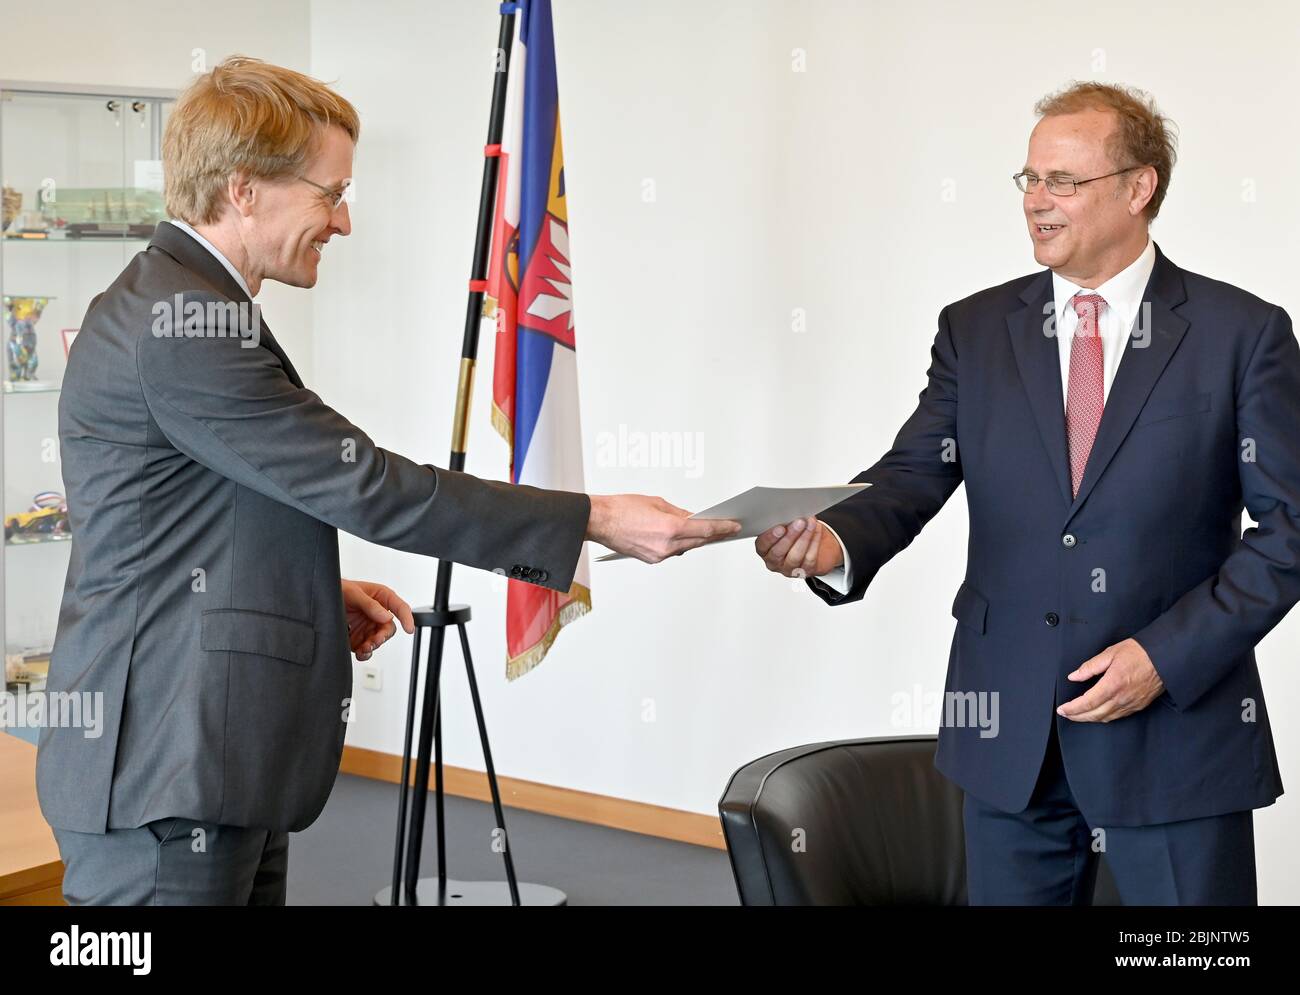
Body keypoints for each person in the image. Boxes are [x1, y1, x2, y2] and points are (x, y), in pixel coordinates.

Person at [37, 56, 738, 905]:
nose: (343, 222)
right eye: (329, 194)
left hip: (208, 766)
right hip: (163, 769)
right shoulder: (178, 325)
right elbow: (363, 482)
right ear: (244, 188)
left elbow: (194, 517)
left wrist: (300, 590)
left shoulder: (189, 305)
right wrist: (591, 517)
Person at [756, 81, 1296, 905]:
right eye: (1029, 180)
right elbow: (913, 471)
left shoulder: (1242, 333)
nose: (1037, 202)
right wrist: (834, 540)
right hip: (1007, 739)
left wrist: (1164, 657)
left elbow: (1290, 529)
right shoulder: (974, 330)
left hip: (1176, 741)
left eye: (1063, 182)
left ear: (1139, 187)